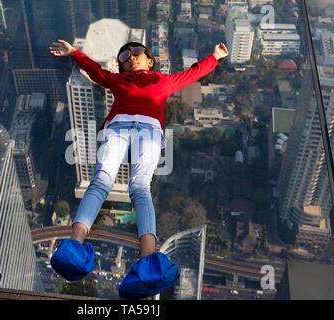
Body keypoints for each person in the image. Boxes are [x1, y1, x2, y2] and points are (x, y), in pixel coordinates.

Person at [49, 39, 228, 299]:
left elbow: (193, 73)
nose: (130, 57)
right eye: (124, 56)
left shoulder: (163, 81)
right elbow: (96, 72)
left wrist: (214, 56)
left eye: (136, 53)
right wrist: (74, 53)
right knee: (100, 182)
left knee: (140, 187)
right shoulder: (119, 81)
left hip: (148, 131)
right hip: (119, 128)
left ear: (150, 60)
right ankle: (74, 246)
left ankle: (148, 261)